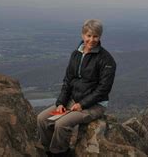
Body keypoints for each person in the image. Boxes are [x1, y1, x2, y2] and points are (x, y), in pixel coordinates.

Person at [37, 19, 116, 157]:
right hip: (72, 101)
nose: (91, 40)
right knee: (42, 119)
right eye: (88, 35)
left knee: (62, 124)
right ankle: (48, 151)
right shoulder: (76, 54)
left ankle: (60, 153)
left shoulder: (106, 60)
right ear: (82, 35)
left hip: (94, 105)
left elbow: (103, 89)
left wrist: (82, 104)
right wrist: (61, 103)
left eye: (95, 36)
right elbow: (68, 81)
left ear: (100, 37)